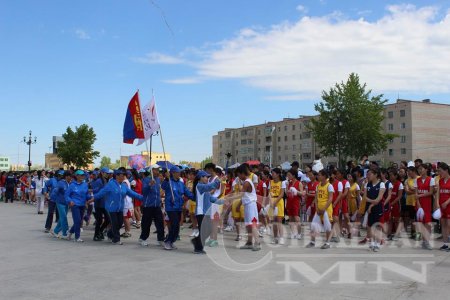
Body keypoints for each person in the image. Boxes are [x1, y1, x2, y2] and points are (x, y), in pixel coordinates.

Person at [93, 167, 143, 245]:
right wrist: (92, 198)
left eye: (124, 175)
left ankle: (110, 234)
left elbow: (132, 194)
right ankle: (116, 239)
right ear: (116, 176)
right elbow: (101, 193)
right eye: (121, 175)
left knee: (119, 224)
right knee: (115, 224)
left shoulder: (123, 186)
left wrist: (143, 198)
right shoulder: (110, 184)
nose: (123, 177)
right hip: (111, 208)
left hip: (120, 208)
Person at [162, 166, 194, 250]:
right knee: (174, 224)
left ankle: (171, 241)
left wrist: (196, 198)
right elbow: (163, 186)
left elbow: (187, 192)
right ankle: (167, 241)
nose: (179, 173)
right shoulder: (168, 182)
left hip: (179, 207)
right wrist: (166, 178)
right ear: (172, 173)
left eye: (179, 172)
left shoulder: (180, 183)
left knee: (177, 226)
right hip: (171, 207)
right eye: (177, 172)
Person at [191, 170, 223, 254]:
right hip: (201, 212)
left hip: (206, 212)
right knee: (204, 231)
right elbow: (210, 186)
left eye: (208, 177)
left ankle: (196, 241)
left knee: (208, 230)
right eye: (205, 177)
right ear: (200, 178)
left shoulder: (205, 187)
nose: (207, 178)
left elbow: (211, 198)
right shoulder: (200, 186)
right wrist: (218, 180)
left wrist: (222, 201)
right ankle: (198, 248)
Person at [234, 165, 261, 251]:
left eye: (238, 175)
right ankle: (249, 242)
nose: (238, 177)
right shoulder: (246, 181)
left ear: (242, 173)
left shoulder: (247, 182)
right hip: (247, 205)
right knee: (249, 225)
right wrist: (238, 205)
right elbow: (244, 196)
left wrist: (228, 198)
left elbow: (240, 194)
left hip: (251, 206)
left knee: (252, 225)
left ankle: (257, 243)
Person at [306, 169, 334, 249]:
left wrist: (324, 209)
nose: (318, 176)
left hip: (326, 209)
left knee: (327, 226)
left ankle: (327, 243)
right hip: (318, 209)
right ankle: (312, 242)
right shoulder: (318, 185)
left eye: (319, 175)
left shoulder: (329, 186)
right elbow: (316, 198)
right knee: (313, 225)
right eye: (318, 175)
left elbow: (330, 199)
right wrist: (317, 208)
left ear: (324, 176)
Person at [139, 165, 165, 247]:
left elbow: (158, 191)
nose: (158, 172)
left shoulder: (158, 179)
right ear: (151, 171)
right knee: (146, 223)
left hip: (157, 205)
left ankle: (160, 239)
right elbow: (144, 191)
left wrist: (160, 199)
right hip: (148, 205)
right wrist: (149, 185)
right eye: (156, 170)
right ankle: (143, 238)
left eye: (158, 170)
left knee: (160, 222)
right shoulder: (146, 180)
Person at [65, 170, 93, 242]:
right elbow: (66, 195)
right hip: (75, 205)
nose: (82, 177)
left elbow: (86, 194)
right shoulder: (72, 185)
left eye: (83, 175)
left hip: (82, 205)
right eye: (80, 175)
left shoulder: (85, 184)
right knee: (77, 221)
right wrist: (70, 201)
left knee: (79, 221)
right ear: (76, 176)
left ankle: (70, 232)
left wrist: (90, 198)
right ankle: (77, 237)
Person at [365, 169, 386, 252]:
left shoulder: (382, 184)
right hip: (370, 208)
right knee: (370, 226)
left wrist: (371, 205)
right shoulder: (367, 184)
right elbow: (365, 197)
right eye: (368, 174)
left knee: (378, 226)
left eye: (370, 174)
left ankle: (377, 243)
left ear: (376, 175)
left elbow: (379, 199)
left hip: (378, 208)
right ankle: (372, 242)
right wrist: (370, 205)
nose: (368, 176)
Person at [414, 163, 434, 250]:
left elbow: (430, 192)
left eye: (421, 169)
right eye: (419, 169)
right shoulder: (416, 180)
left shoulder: (431, 179)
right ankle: (423, 241)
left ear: (426, 170)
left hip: (427, 204)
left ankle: (427, 242)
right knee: (421, 223)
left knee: (428, 224)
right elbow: (415, 194)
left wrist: (420, 196)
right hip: (419, 204)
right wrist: (418, 203)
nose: (420, 170)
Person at [51, 172, 72, 239]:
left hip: (66, 203)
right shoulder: (61, 183)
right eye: (70, 176)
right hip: (60, 203)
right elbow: (55, 191)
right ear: (66, 176)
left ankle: (55, 231)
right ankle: (65, 233)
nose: (71, 178)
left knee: (62, 218)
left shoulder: (69, 183)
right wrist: (52, 198)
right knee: (63, 217)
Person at [91, 168, 110, 241]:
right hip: (99, 203)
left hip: (104, 203)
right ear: (102, 173)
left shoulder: (105, 180)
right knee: (99, 220)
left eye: (108, 173)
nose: (107, 174)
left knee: (108, 219)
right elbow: (96, 192)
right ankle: (96, 235)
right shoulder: (98, 181)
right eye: (106, 173)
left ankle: (100, 231)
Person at [268, 168, 286, 245]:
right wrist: (271, 201)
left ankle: (281, 238)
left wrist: (275, 202)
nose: (272, 174)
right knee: (273, 221)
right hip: (272, 201)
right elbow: (269, 193)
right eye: (272, 173)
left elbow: (282, 194)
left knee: (279, 221)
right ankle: (275, 237)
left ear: (278, 174)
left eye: (273, 173)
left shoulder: (282, 182)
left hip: (279, 201)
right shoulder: (270, 182)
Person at [286, 169, 304, 240]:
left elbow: (302, 193)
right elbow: (287, 194)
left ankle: (299, 233)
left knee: (297, 219)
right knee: (290, 219)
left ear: (293, 175)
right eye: (287, 175)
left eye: (289, 175)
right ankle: (293, 233)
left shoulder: (299, 183)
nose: (288, 176)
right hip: (289, 201)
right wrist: (287, 187)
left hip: (296, 202)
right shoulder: (289, 183)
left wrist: (296, 191)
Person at [436, 163, 450, 251]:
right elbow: (437, 194)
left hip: (448, 206)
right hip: (441, 206)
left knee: (449, 225)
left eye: (440, 171)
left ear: (446, 170)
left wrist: (447, 202)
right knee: (443, 224)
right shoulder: (440, 181)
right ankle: (445, 244)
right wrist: (437, 204)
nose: (439, 173)